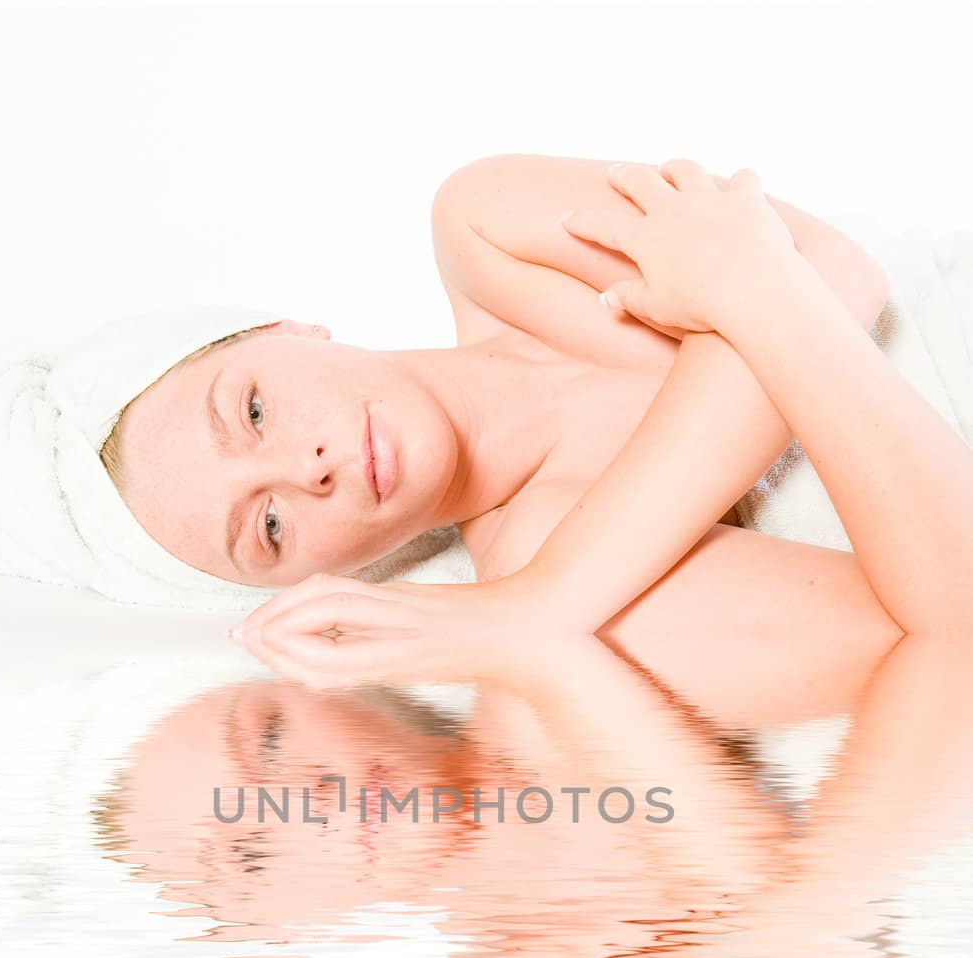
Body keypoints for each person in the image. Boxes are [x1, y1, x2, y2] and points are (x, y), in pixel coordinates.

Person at [213, 157, 973, 689]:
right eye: (270, 525)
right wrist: (748, 290)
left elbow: (839, 271)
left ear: (277, 332)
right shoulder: (545, 571)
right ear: (317, 581)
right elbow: (949, 627)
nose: (303, 468)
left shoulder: (487, 231)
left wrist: (552, 596)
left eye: (251, 410)